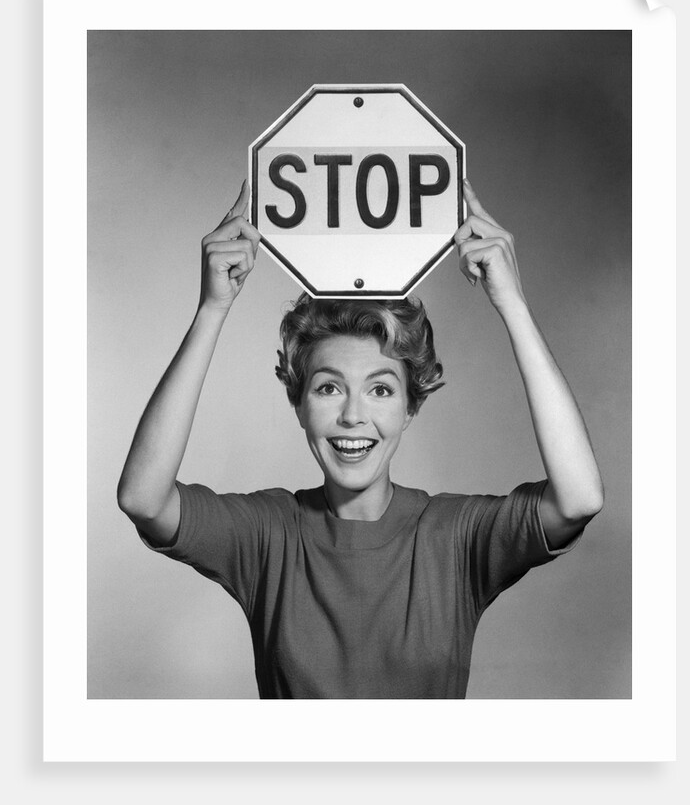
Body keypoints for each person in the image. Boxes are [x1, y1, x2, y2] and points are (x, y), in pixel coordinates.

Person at [117, 178, 604, 699]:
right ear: (298, 402)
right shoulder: (268, 537)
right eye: (329, 388)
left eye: (380, 389)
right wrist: (211, 309)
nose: (353, 415)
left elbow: (578, 498)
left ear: (411, 405)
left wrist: (513, 304)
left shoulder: (453, 537)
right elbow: (144, 497)